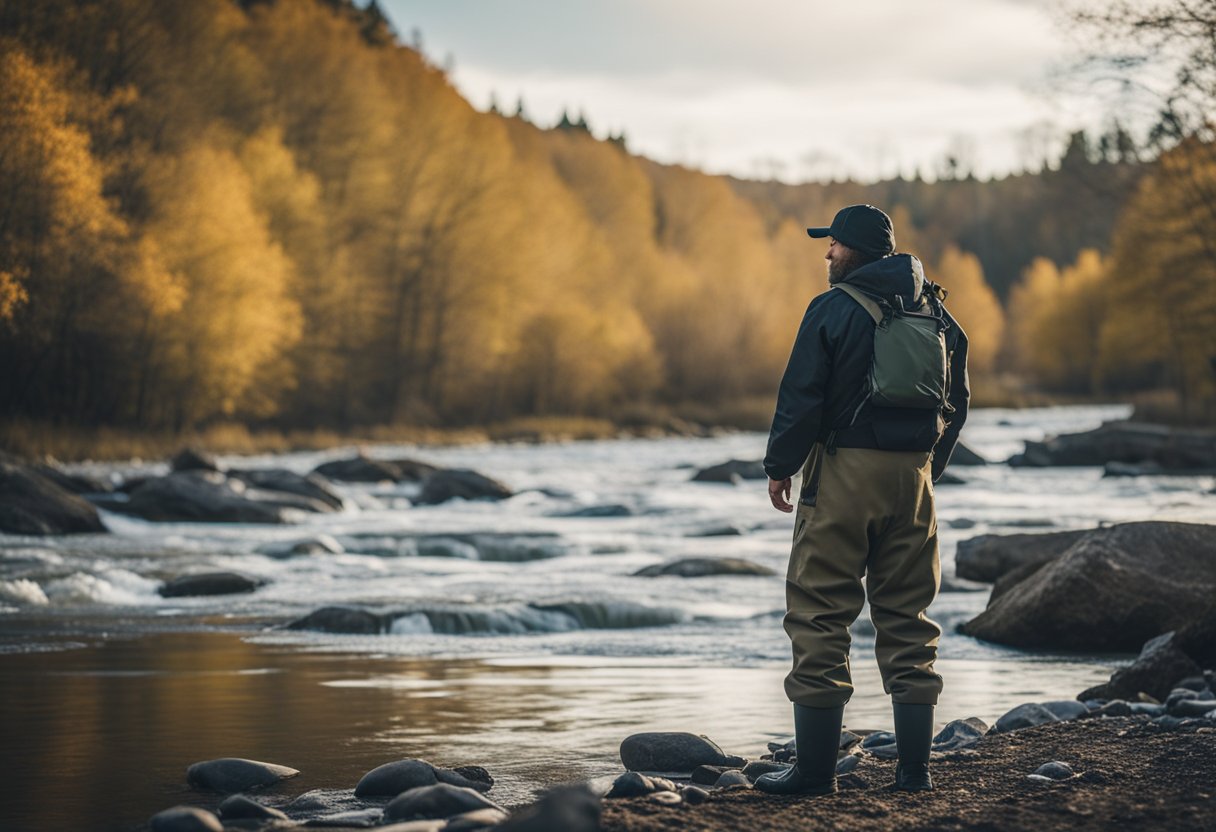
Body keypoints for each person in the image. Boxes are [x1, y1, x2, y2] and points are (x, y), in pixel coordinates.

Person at [754, 204, 969, 796]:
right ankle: (914, 774)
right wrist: (928, 469)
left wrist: (779, 467)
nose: (827, 253)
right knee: (909, 620)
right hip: (913, 480)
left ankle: (816, 775)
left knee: (819, 612)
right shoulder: (936, 311)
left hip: (844, 476)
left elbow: (801, 395)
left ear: (857, 252)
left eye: (835, 245)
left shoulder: (832, 308)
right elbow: (959, 402)